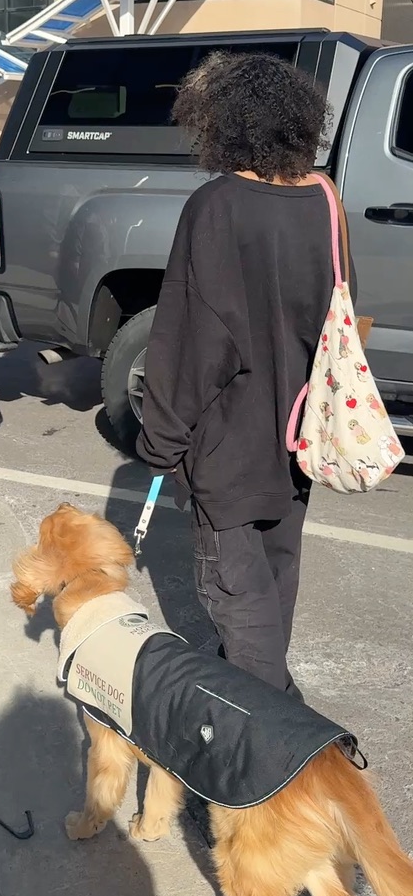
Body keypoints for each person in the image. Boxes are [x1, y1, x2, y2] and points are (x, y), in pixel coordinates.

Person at [137, 52, 354, 698]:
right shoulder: (322, 197)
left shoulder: (216, 206)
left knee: (239, 597)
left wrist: (159, 442)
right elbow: (337, 313)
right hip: (301, 433)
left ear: (220, 124)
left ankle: (272, 751)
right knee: (274, 580)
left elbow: (189, 343)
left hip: (230, 444)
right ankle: (251, 693)